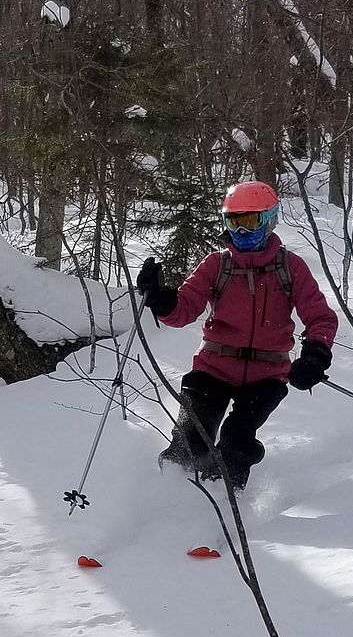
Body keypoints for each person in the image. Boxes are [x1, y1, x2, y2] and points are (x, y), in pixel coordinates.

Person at [137, 180, 338, 490]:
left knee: (237, 442)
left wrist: (315, 355)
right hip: (213, 368)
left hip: (267, 375)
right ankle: (167, 498)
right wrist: (162, 299)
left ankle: (226, 504)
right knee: (191, 439)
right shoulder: (216, 266)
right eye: (234, 222)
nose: (241, 232)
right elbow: (184, 310)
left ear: (270, 219)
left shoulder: (290, 268)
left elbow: (320, 317)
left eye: (250, 221)